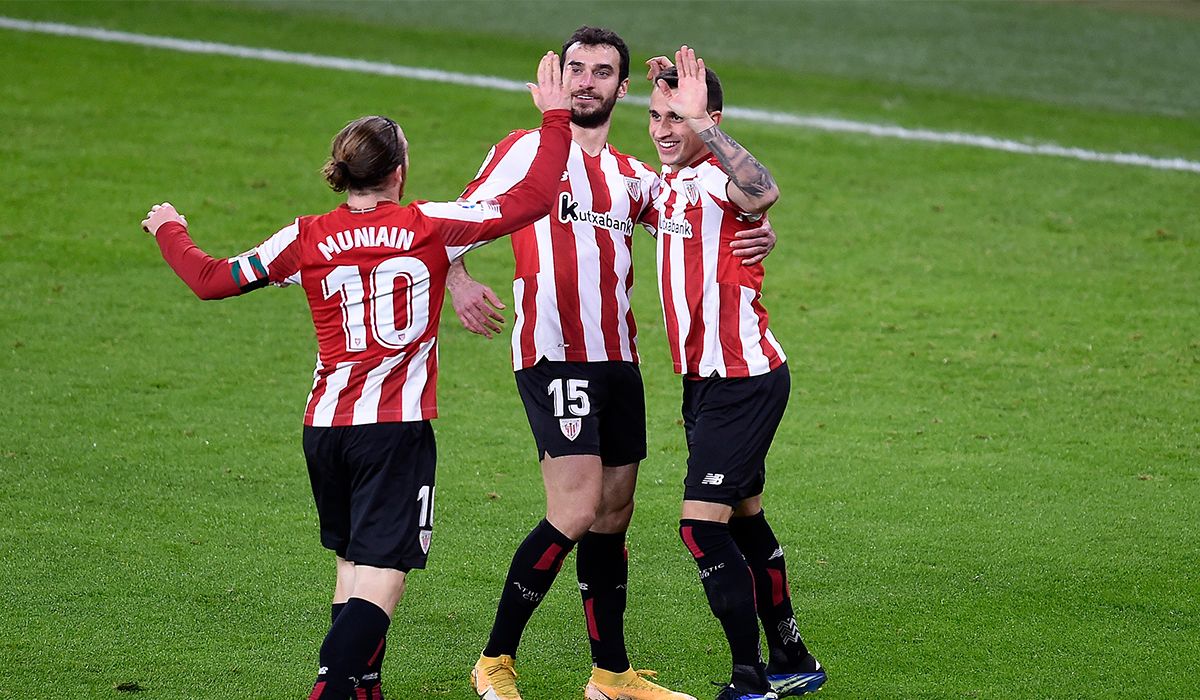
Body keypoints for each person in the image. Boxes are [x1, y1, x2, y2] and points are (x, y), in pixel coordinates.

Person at [138, 52, 572, 700]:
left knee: (351, 571)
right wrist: (556, 118)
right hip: (392, 434)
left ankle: (361, 687)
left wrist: (170, 229)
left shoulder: (304, 236)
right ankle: (332, 686)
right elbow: (533, 198)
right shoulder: (427, 227)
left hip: (325, 431)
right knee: (382, 577)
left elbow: (211, 280)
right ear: (399, 172)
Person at [450, 26, 775, 700]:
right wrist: (458, 281)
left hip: (619, 365)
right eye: (577, 68)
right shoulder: (527, 151)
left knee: (612, 515)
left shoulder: (636, 179)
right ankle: (495, 660)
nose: (588, 81)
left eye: (603, 72)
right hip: (554, 358)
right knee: (573, 511)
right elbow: (449, 221)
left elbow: (714, 209)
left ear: (620, 87)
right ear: (561, 77)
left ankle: (611, 675)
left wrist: (758, 226)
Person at [642, 48, 826, 700]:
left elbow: (762, 191)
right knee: (745, 518)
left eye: (680, 117)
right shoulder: (664, 185)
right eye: (657, 115)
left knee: (701, 526)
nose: (664, 128)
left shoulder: (721, 178)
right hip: (703, 384)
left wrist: (709, 133)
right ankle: (793, 657)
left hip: (744, 379)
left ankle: (750, 681)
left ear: (712, 118)